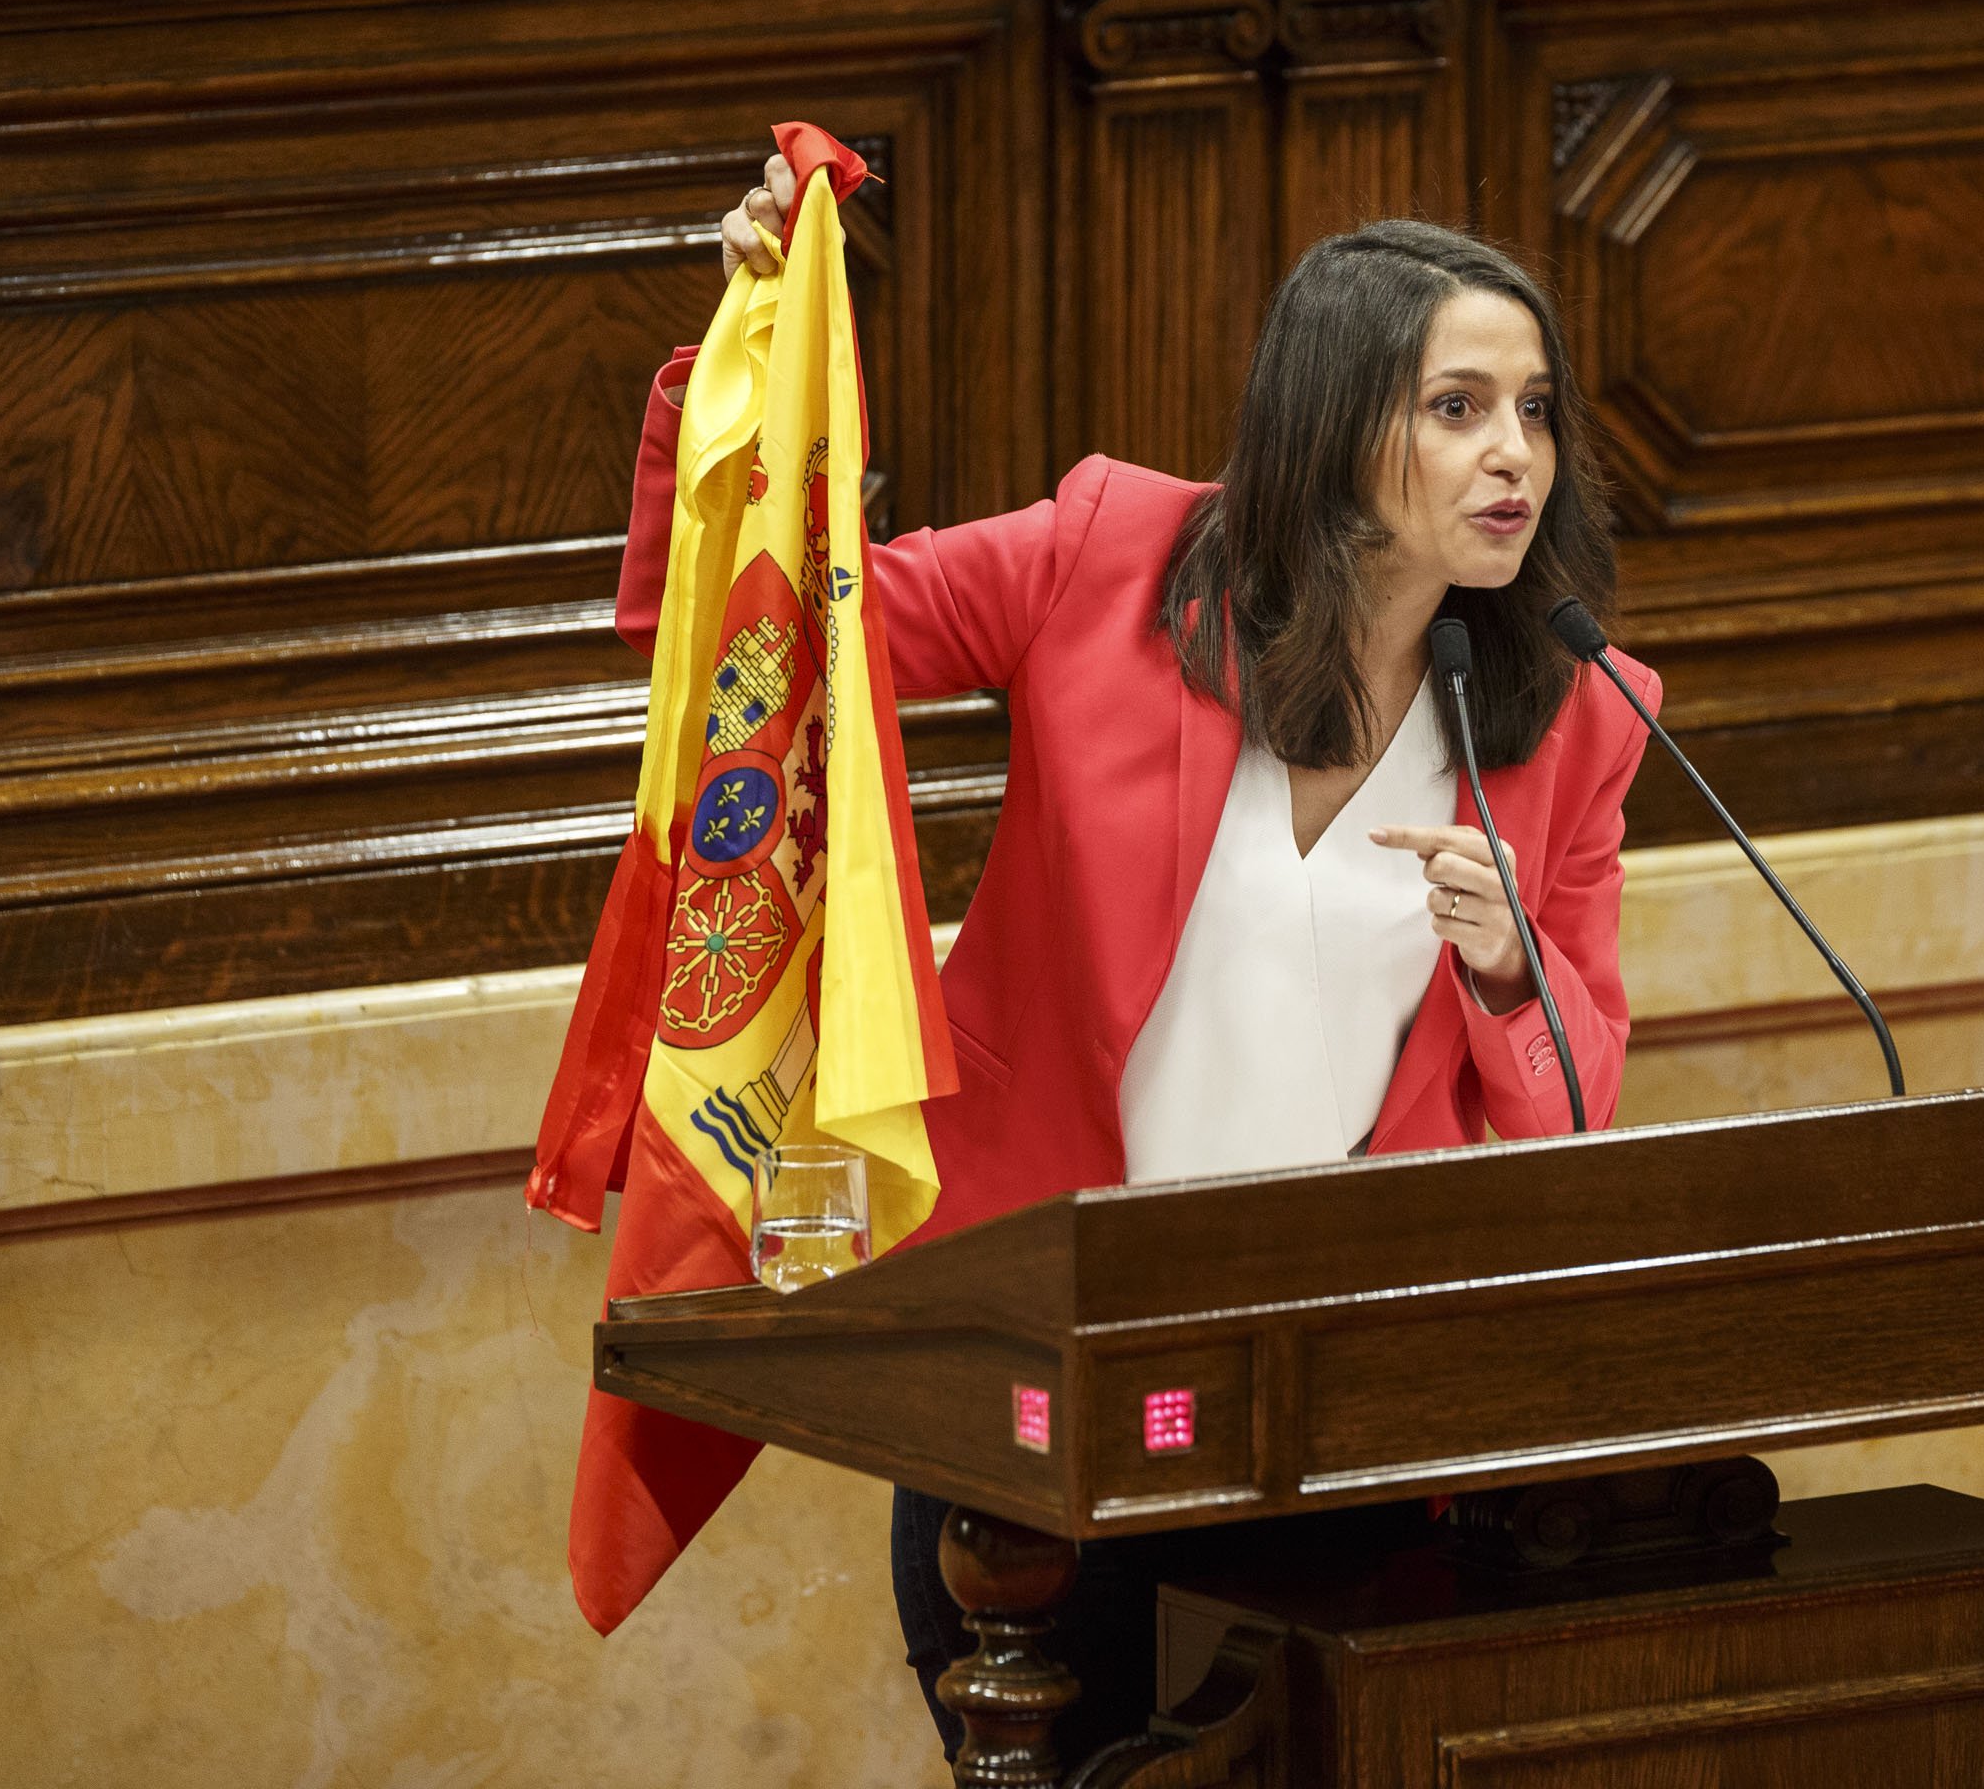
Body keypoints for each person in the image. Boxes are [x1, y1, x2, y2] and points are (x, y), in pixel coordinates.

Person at [635, 142, 1663, 1768]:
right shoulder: (1106, 561)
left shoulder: (1576, 714)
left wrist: (1507, 980)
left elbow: (1570, 1131)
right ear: (1334, 420)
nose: (1512, 457)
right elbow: (773, 635)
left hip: (1333, 1425)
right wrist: (753, 362)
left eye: (1535, 412)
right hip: (1059, 1387)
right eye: (1458, 408)